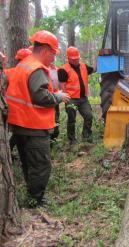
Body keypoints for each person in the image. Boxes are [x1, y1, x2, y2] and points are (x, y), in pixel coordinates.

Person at [5, 30, 70, 207]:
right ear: (45, 51)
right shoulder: (37, 68)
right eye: (53, 54)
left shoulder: (24, 64)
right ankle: (36, 200)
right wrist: (57, 96)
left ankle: (33, 196)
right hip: (33, 125)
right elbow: (40, 96)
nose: (53, 59)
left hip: (19, 124)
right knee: (41, 165)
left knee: (29, 162)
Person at [58, 46, 95, 144]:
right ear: (69, 58)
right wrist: (65, 98)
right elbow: (62, 85)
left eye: (77, 58)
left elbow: (94, 69)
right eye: (73, 59)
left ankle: (86, 135)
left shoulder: (83, 66)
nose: (76, 60)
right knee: (71, 119)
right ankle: (72, 139)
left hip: (83, 98)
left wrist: (98, 57)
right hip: (71, 98)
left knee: (89, 116)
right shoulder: (63, 69)